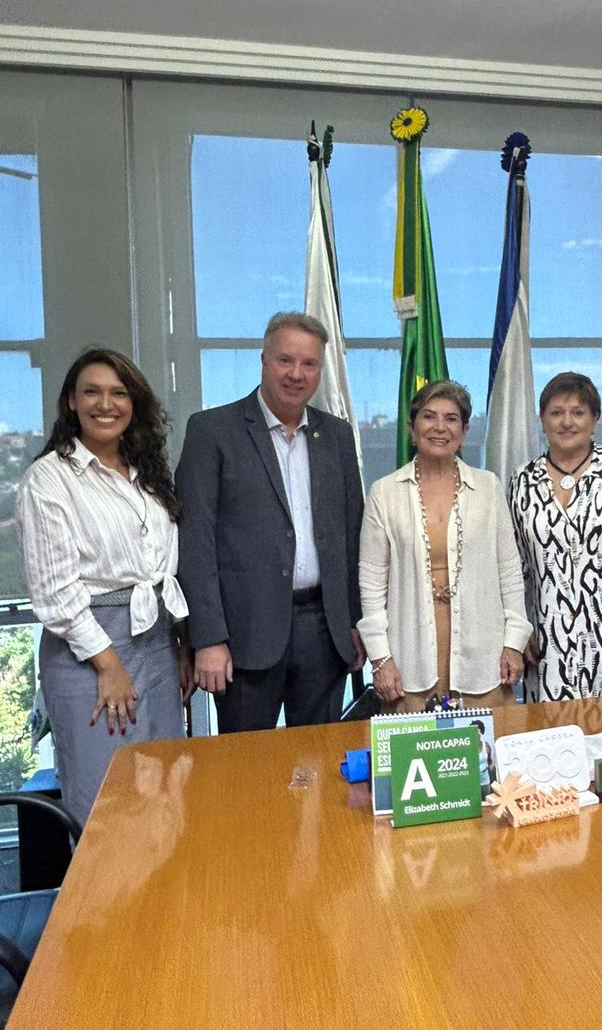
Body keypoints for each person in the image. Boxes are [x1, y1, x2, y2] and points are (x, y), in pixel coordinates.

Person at [16, 348, 188, 826]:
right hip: (89, 653)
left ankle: (158, 903)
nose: (105, 404)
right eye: (91, 392)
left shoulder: (147, 474)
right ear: (71, 401)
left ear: (133, 403)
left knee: (164, 793)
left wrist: (180, 643)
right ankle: (106, 903)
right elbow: (56, 593)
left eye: (118, 393)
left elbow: (160, 572)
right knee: (106, 804)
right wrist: (108, 665)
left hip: (155, 643)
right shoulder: (48, 479)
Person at [176, 312, 364, 731]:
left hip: (324, 632)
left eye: (309, 363)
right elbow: (194, 541)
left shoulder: (337, 436)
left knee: (320, 767)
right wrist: (207, 637)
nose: (296, 374)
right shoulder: (212, 431)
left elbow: (351, 535)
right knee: (244, 773)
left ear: (320, 370)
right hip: (243, 637)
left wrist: (354, 621)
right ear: (263, 360)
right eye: (285, 360)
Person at [358, 380, 530, 711]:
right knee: (419, 756)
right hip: (410, 658)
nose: (440, 427)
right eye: (429, 416)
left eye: (451, 419)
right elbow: (371, 585)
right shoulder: (384, 493)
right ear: (411, 428)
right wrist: (380, 658)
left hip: (483, 655)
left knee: (485, 758)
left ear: (464, 430)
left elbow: (509, 572)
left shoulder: (487, 487)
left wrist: (514, 643)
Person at [509, 372, 602, 701]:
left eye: (578, 412)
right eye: (556, 412)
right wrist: (518, 630)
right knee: (555, 741)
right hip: (549, 641)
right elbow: (513, 567)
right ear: (542, 419)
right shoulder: (522, 480)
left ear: (594, 420)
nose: (567, 422)